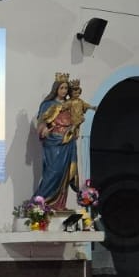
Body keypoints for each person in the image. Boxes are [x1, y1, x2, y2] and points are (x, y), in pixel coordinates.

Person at [33, 72, 87, 210]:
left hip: (67, 142)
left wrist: (76, 127)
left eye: (66, 88)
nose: (63, 91)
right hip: (53, 142)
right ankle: (40, 203)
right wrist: (44, 130)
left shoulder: (70, 104)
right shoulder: (48, 104)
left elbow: (75, 119)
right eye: (61, 88)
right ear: (56, 88)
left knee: (64, 175)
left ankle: (59, 205)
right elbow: (42, 122)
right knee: (53, 172)